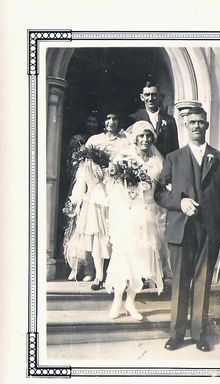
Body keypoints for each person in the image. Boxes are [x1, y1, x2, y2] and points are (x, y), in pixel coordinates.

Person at [154, 107, 220, 352]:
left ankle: (200, 334)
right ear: (186, 126)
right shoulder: (174, 158)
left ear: (207, 125)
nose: (197, 126)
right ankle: (177, 334)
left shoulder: (219, 159)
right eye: (192, 123)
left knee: (203, 282)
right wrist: (179, 203)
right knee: (180, 281)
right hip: (182, 229)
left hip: (210, 230)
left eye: (201, 122)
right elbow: (159, 193)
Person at [105, 121, 164, 320]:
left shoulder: (157, 160)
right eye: (141, 136)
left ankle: (130, 302)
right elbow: (112, 185)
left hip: (146, 214)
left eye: (149, 136)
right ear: (135, 138)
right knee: (125, 256)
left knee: (141, 259)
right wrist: (131, 189)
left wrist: (149, 191)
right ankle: (117, 301)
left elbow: (161, 187)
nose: (145, 140)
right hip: (127, 214)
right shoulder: (124, 156)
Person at [64, 112, 127, 285]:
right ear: (104, 122)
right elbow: (84, 169)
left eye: (115, 118)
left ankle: (115, 272)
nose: (111, 122)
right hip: (96, 192)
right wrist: (82, 192)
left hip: (116, 191)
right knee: (96, 233)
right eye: (108, 119)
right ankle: (96, 272)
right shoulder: (94, 140)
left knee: (115, 232)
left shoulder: (124, 141)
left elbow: (127, 164)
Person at [127, 79, 179, 158]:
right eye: (147, 95)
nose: (150, 98)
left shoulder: (169, 120)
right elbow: (129, 145)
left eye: (154, 94)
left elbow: (174, 148)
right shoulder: (133, 119)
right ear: (142, 97)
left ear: (159, 96)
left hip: (164, 165)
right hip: (141, 165)